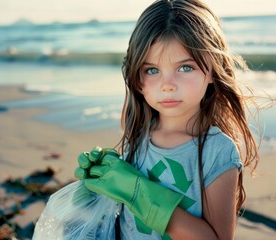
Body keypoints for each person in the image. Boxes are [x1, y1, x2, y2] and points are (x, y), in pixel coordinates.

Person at [75, 0, 260, 239]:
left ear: (214, 70)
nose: (168, 86)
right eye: (152, 70)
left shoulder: (217, 150)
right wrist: (97, 186)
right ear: (137, 78)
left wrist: (139, 192)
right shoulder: (137, 135)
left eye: (185, 68)